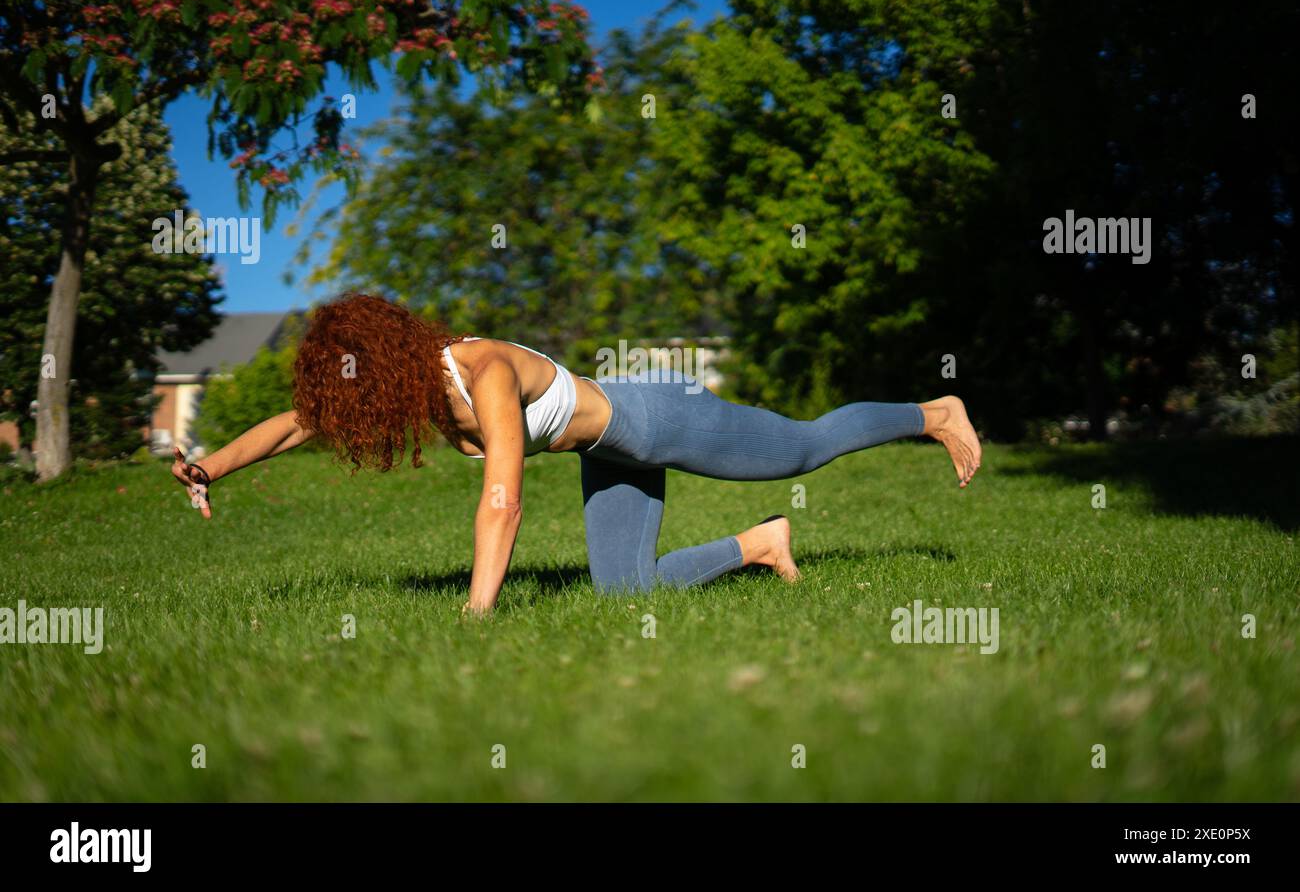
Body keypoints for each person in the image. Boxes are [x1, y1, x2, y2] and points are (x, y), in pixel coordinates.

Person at [173, 294, 980, 614]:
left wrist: (477, 608)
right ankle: (760, 544)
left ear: (380, 360)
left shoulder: (482, 371)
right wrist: (209, 467)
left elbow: (503, 499)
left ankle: (932, 410)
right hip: (610, 452)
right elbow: (294, 424)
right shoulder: (408, 389)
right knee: (624, 593)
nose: (347, 409)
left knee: (800, 448)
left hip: (659, 418)